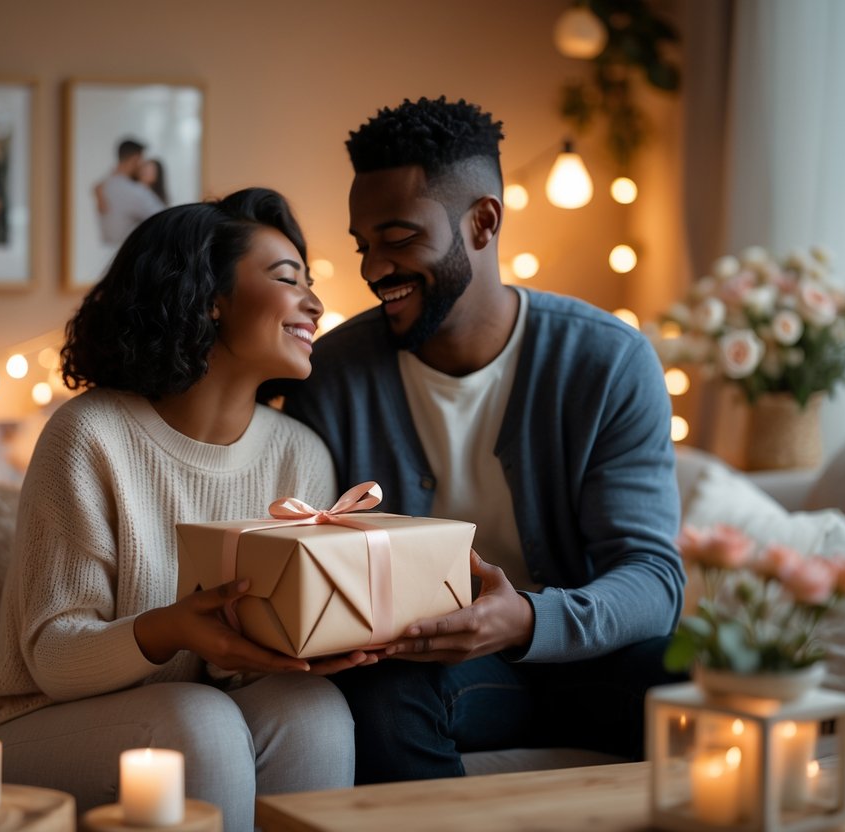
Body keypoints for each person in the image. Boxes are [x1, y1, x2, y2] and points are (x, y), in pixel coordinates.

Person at [281, 97, 687, 784]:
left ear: (483, 221)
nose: (373, 267)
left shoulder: (608, 360)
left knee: (701, 680)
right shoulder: (334, 375)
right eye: (362, 244)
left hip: (591, 655)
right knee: (379, 701)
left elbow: (653, 579)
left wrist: (526, 619)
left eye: (399, 237)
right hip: (440, 674)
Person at [0, 188, 365, 831]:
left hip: (199, 712)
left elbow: (236, 666)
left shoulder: (299, 454)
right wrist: (172, 628)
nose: (314, 301)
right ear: (211, 298)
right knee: (196, 723)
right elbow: (54, 658)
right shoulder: (89, 435)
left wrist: (300, 646)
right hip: (32, 724)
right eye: (288, 279)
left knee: (312, 710)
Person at [93, 137, 165, 245]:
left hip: (106, 249)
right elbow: (164, 220)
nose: (142, 166)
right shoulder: (135, 191)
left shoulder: (104, 185)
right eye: (142, 160)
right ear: (135, 159)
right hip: (128, 252)